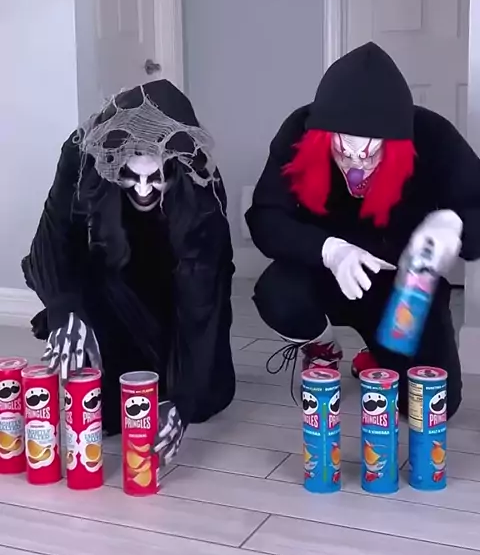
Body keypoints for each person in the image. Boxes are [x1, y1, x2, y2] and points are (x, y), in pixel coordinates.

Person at [246, 42, 480, 417]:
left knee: (430, 406)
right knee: (278, 293)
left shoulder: (433, 135)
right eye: (344, 151)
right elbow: (265, 218)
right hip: (327, 273)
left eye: (371, 154)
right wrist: (330, 250)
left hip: (404, 290)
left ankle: (378, 353)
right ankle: (322, 347)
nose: (358, 165)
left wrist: (455, 224)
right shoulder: (298, 131)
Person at [22, 79, 235, 462]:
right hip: (114, 292)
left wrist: (184, 400)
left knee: (203, 399)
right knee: (100, 406)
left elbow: (203, 297)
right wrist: (64, 310)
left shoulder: (201, 185)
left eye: (156, 178)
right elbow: (52, 243)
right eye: (130, 177)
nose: (142, 191)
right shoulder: (81, 155)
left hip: (177, 301)